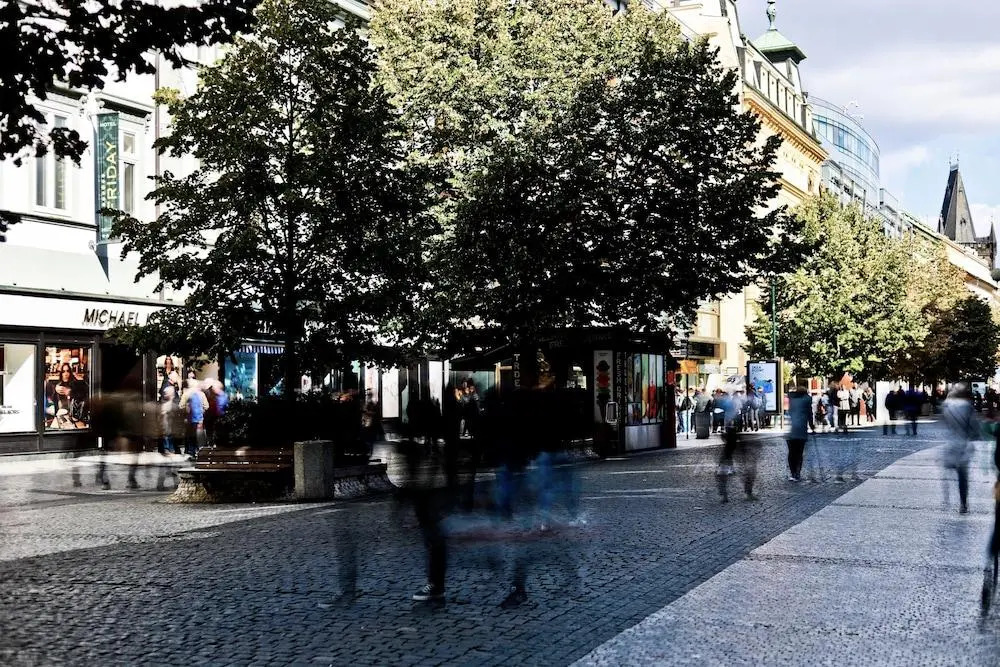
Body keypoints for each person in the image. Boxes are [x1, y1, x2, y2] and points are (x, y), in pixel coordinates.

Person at [942, 383, 978, 514]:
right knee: (962, 476)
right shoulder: (967, 407)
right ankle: (963, 504)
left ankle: (946, 499)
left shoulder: (946, 406)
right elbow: (974, 428)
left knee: (947, 471)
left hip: (950, 444)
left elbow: (945, 425)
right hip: (963, 445)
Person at [786, 386, 811, 482]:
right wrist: (812, 425)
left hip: (792, 430)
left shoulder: (792, 399)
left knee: (791, 453)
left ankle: (793, 472)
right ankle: (797, 473)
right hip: (802, 430)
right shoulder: (807, 399)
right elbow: (809, 414)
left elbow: (790, 412)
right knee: (799, 453)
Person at [180, 378, 208, 458]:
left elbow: (181, 406)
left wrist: (185, 412)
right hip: (199, 419)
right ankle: (198, 451)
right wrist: (202, 411)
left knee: (189, 436)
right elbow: (206, 406)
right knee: (198, 436)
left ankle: (190, 451)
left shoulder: (186, 394)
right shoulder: (201, 394)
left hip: (189, 419)